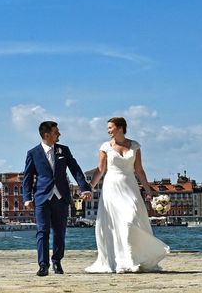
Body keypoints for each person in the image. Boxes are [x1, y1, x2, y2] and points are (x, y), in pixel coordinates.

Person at [85, 117, 169, 273]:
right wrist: (89, 188)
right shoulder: (105, 146)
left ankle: (134, 257)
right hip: (112, 188)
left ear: (120, 128)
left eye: (110, 127)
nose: (108, 130)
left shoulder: (135, 146)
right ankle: (124, 260)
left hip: (130, 186)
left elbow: (139, 170)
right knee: (119, 222)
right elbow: (100, 170)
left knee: (131, 217)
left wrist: (148, 190)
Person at [23, 121, 92, 277]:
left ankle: (57, 262)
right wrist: (27, 197)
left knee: (60, 232)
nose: (59, 135)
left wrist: (84, 188)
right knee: (42, 231)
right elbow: (27, 177)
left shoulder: (64, 150)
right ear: (47, 135)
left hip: (61, 198)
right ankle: (43, 265)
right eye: (56, 132)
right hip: (41, 198)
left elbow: (76, 170)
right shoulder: (33, 153)